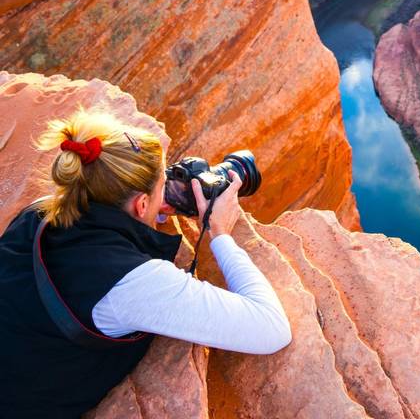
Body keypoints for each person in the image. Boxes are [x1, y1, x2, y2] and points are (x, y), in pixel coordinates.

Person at [0, 109, 292, 418]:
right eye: (162, 184)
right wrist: (220, 233)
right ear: (140, 203)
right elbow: (272, 328)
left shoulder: (41, 213)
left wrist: (150, 210)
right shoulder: (131, 282)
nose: (167, 190)